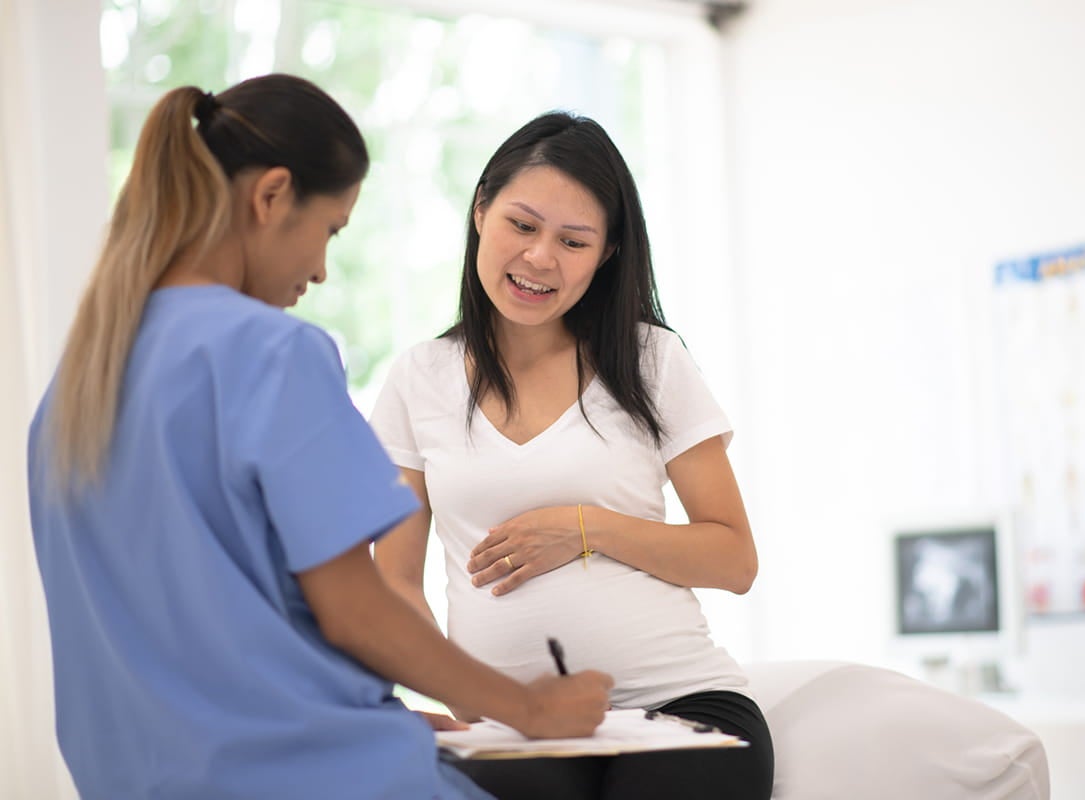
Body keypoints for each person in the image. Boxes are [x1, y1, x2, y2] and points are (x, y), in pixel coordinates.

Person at [26, 75, 612, 800]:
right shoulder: (271, 352)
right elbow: (354, 608)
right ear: (271, 197)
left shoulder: (76, 386)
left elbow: (194, 631)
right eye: (329, 230)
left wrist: (359, 710)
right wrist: (529, 708)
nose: (322, 270)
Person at [369, 111, 775, 800]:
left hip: (680, 707)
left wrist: (586, 528)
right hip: (512, 726)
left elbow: (733, 559)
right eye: (522, 226)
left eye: (573, 241)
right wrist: (459, 694)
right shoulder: (420, 377)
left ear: (608, 252)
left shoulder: (652, 359)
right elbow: (396, 581)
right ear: (480, 211)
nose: (539, 259)